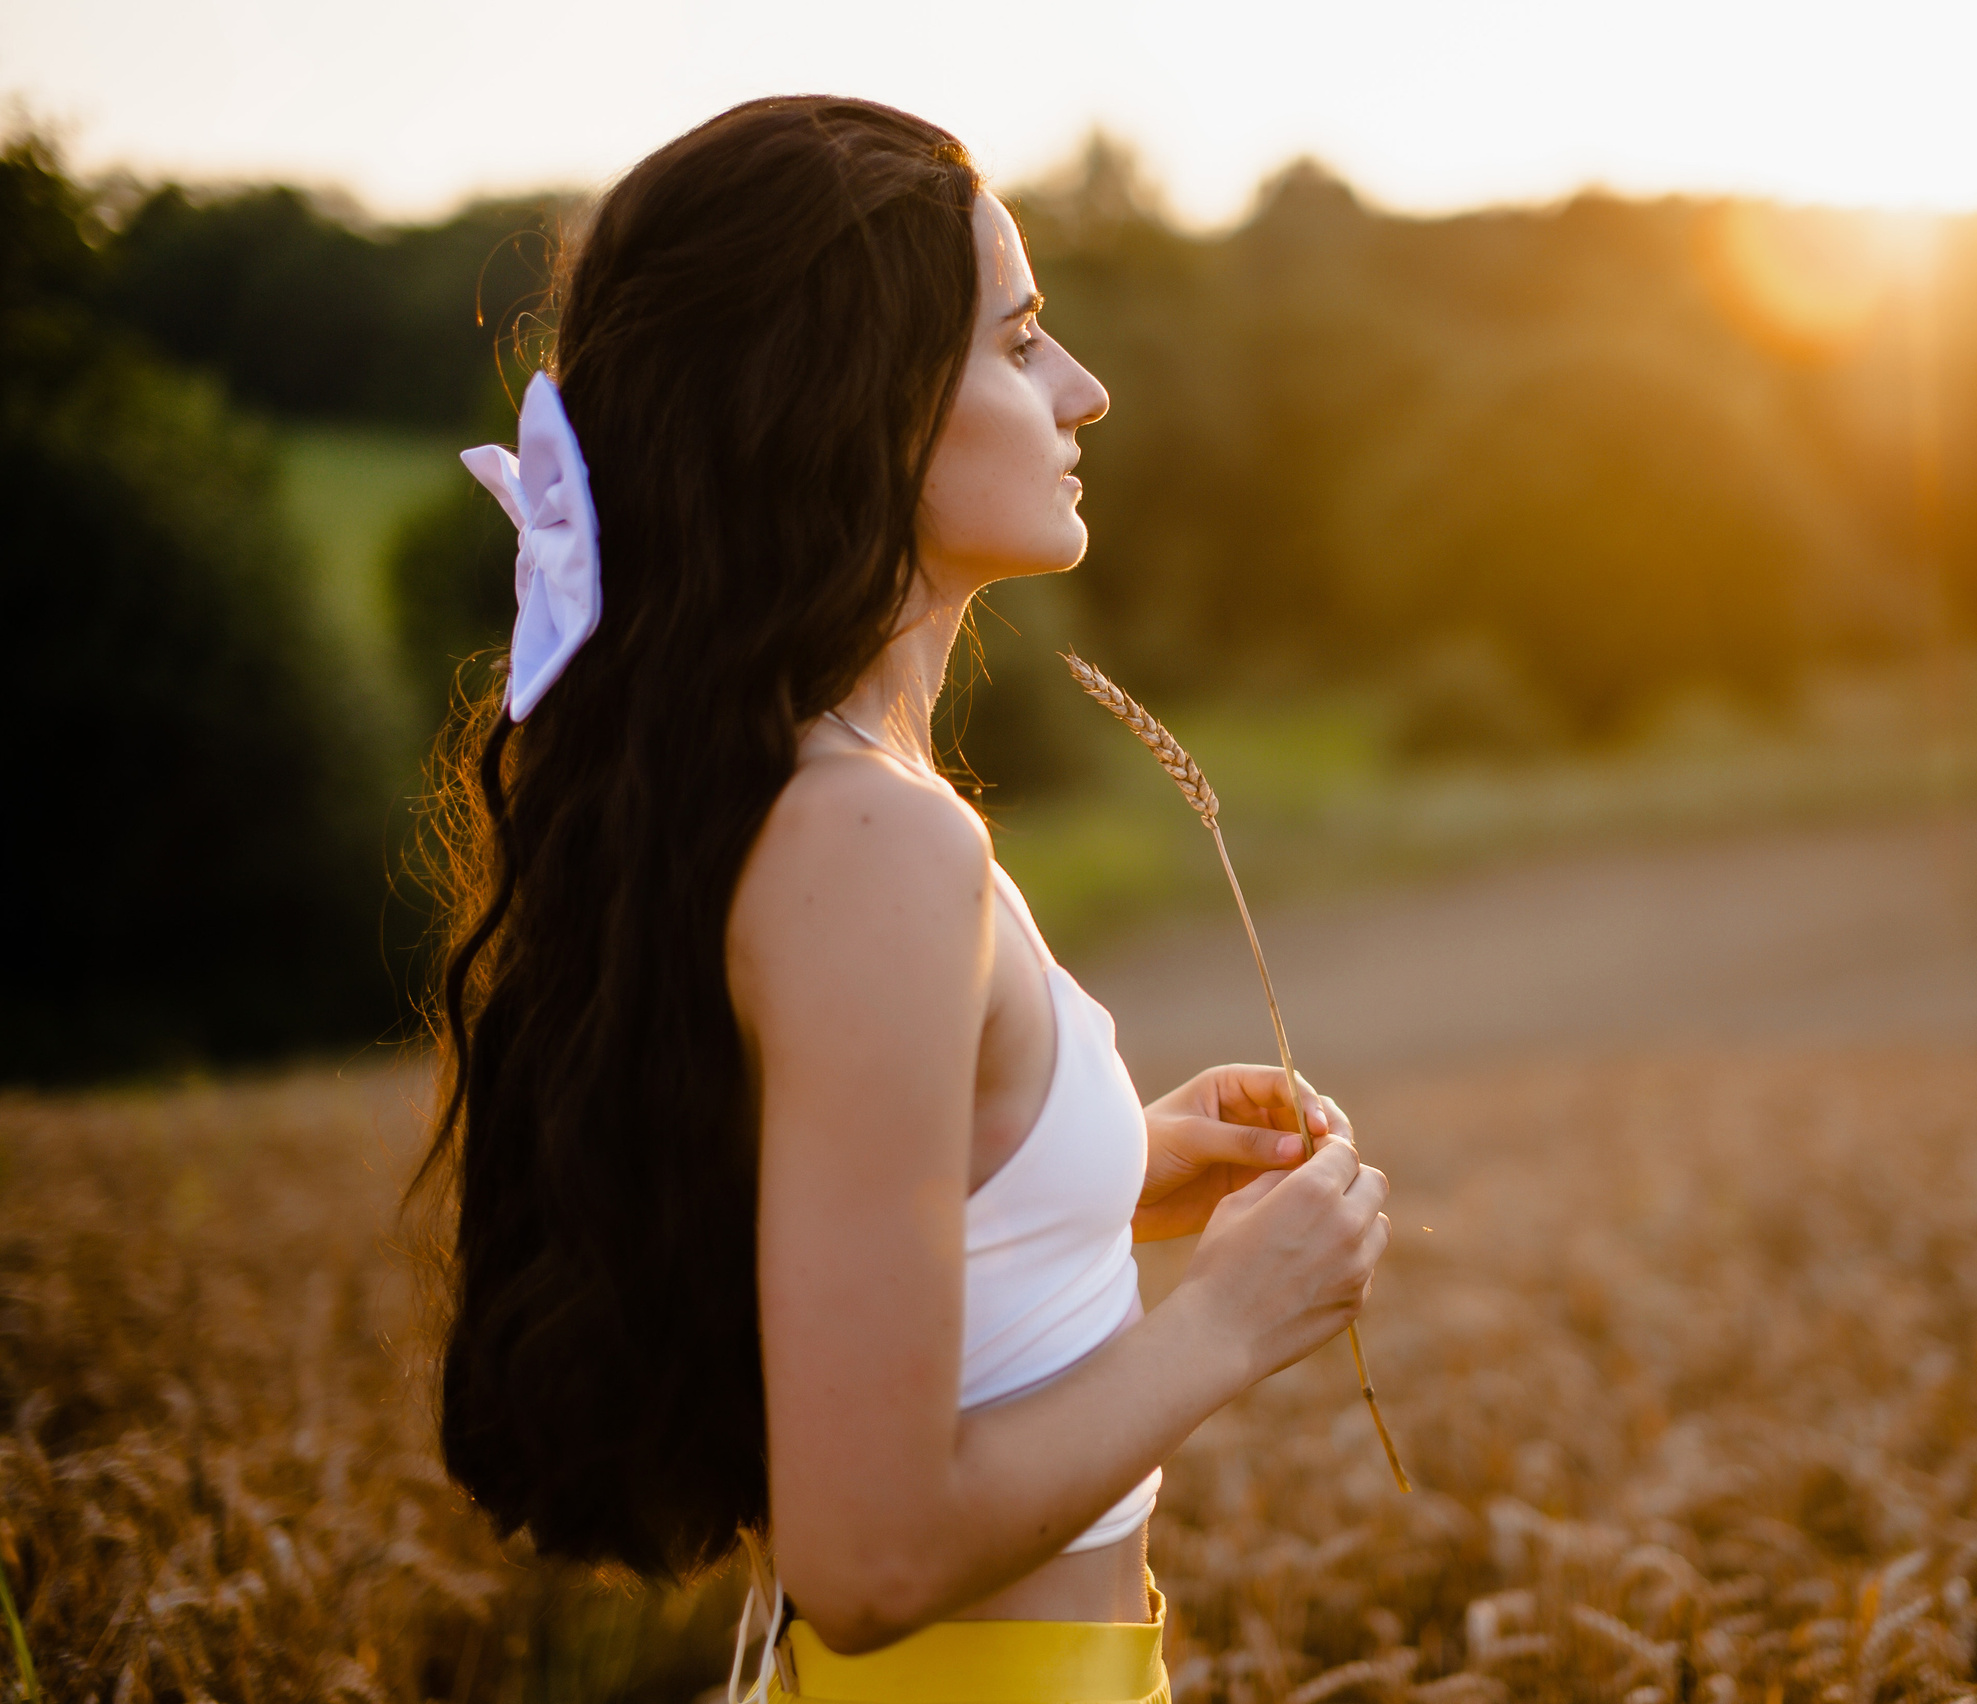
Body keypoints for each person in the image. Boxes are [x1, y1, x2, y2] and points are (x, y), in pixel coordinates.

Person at [410, 96, 1391, 1704]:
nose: (1085, 391)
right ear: (850, 409)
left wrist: (1101, 1168)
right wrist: (1226, 1322)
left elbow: (822, 1218)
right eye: (1019, 345)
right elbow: (868, 1562)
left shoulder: (824, 806)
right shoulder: (873, 844)